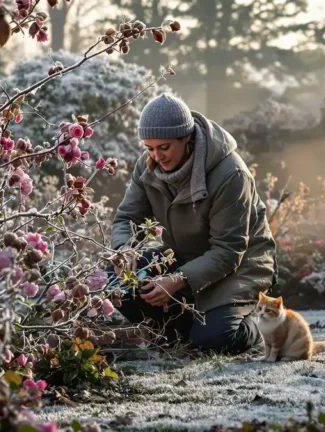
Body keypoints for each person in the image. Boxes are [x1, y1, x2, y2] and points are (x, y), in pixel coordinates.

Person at [109, 93, 277, 354]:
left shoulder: (231, 174)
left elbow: (228, 251)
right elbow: (127, 219)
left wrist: (178, 280)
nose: (157, 156)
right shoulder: (147, 164)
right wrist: (125, 249)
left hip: (240, 266)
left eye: (164, 147)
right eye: (149, 148)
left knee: (214, 341)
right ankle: (183, 331)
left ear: (186, 137)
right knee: (115, 281)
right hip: (183, 259)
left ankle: (254, 324)